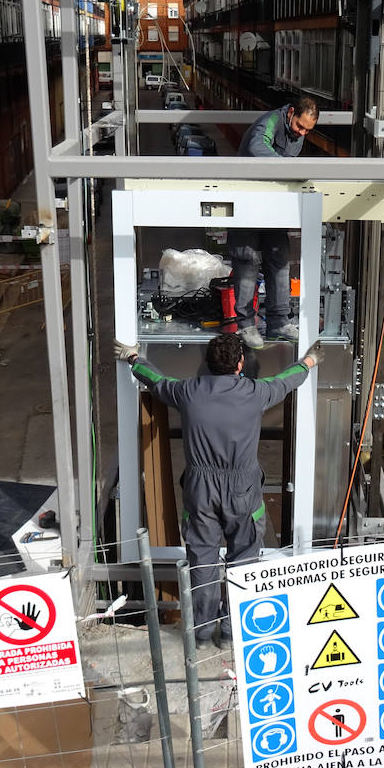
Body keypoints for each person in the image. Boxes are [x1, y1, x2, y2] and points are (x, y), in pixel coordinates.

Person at [115, 332, 323, 646]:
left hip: (200, 488)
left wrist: (133, 357)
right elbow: (287, 379)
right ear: (240, 364)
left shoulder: (188, 391)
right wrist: (309, 360)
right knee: (244, 558)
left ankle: (200, 632)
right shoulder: (255, 392)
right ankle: (230, 632)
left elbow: (155, 380)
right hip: (243, 488)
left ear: (207, 364)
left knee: (202, 559)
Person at [230, 96, 319, 349]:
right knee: (247, 261)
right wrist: (290, 167)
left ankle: (279, 322)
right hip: (247, 203)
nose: (302, 133)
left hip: (272, 206)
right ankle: (246, 324)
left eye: (307, 130)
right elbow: (257, 148)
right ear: (291, 112)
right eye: (300, 126)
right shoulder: (269, 122)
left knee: (279, 262)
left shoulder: (298, 132)